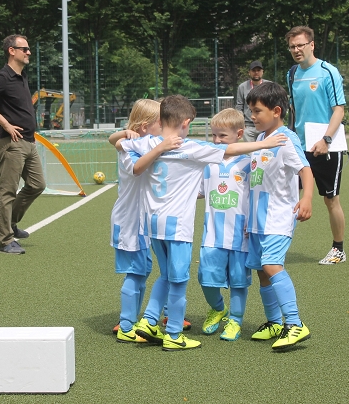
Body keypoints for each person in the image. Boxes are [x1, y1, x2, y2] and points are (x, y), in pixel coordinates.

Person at [122, 95, 287, 351]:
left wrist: (127, 134)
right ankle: (174, 334)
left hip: (152, 224)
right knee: (178, 281)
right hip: (177, 227)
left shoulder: (148, 142)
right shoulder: (190, 146)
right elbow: (229, 150)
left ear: (160, 119)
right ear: (186, 123)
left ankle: (149, 320)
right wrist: (265, 143)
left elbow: (119, 143)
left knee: (165, 275)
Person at [245, 82, 314, 351]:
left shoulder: (286, 138)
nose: (252, 116)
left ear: (276, 111)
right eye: (251, 111)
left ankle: (295, 324)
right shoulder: (261, 139)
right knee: (262, 271)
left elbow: (305, 170)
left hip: (278, 216)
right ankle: (274, 322)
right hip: (257, 220)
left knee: (272, 265)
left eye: (257, 111)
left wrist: (307, 198)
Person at [107, 99, 182, 343]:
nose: (165, 127)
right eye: (161, 123)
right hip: (129, 222)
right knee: (137, 272)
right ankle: (126, 324)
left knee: (144, 269)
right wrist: (125, 135)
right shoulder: (129, 148)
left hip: (142, 221)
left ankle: (136, 319)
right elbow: (135, 165)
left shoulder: (144, 144)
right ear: (144, 127)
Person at [0, 35, 46, 255]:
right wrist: (5, 124)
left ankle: (9, 223)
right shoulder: (3, 77)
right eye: (24, 49)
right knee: (7, 191)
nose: (28, 52)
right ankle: (6, 239)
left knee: (37, 185)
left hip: (28, 141)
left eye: (28, 48)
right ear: (11, 51)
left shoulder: (21, 76)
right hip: (11, 142)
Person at [285, 26, 347, 265]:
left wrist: (326, 140)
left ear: (311, 45)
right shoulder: (292, 74)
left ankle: (338, 250)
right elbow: (294, 111)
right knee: (286, 194)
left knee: (330, 199)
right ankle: (276, 244)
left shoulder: (328, 72)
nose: (296, 50)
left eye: (300, 45)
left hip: (327, 148)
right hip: (299, 147)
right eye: (292, 46)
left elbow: (338, 110)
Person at [197, 108, 252, 342]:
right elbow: (199, 191)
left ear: (238, 134)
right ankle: (218, 308)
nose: (217, 140)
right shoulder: (208, 163)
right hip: (212, 234)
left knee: (239, 282)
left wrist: (252, 222)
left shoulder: (248, 163)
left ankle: (235, 321)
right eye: (214, 135)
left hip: (240, 235)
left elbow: (256, 196)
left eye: (223, 136)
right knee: (206, 278)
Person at [235, 60, 272, 142]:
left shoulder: (269, 85)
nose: (256, 73)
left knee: (265, 149)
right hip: (248, 126)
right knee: (250, 150)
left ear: (262, 72)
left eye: (258, 70)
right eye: (253, 70)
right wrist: (241, 124)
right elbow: (239, 106)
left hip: (265, 125)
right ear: (249, 72)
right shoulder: (242, 87)